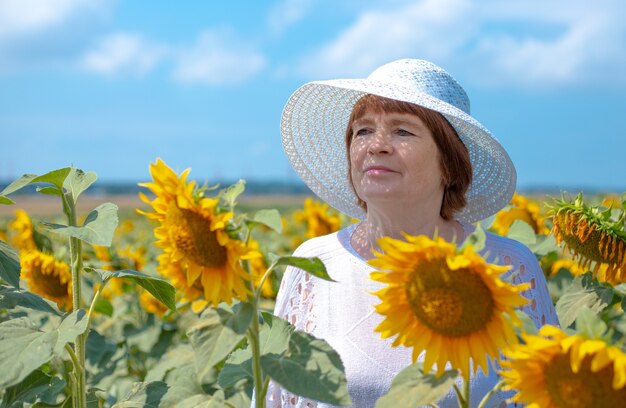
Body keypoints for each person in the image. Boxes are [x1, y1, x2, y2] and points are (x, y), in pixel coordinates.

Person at [266, 59, 558, 407]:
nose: (377, 145)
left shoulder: (508, 267)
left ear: (449, 164)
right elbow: (275, 398)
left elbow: (545, 392)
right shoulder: (314, 265)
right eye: (362, 131)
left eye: (402, 131)